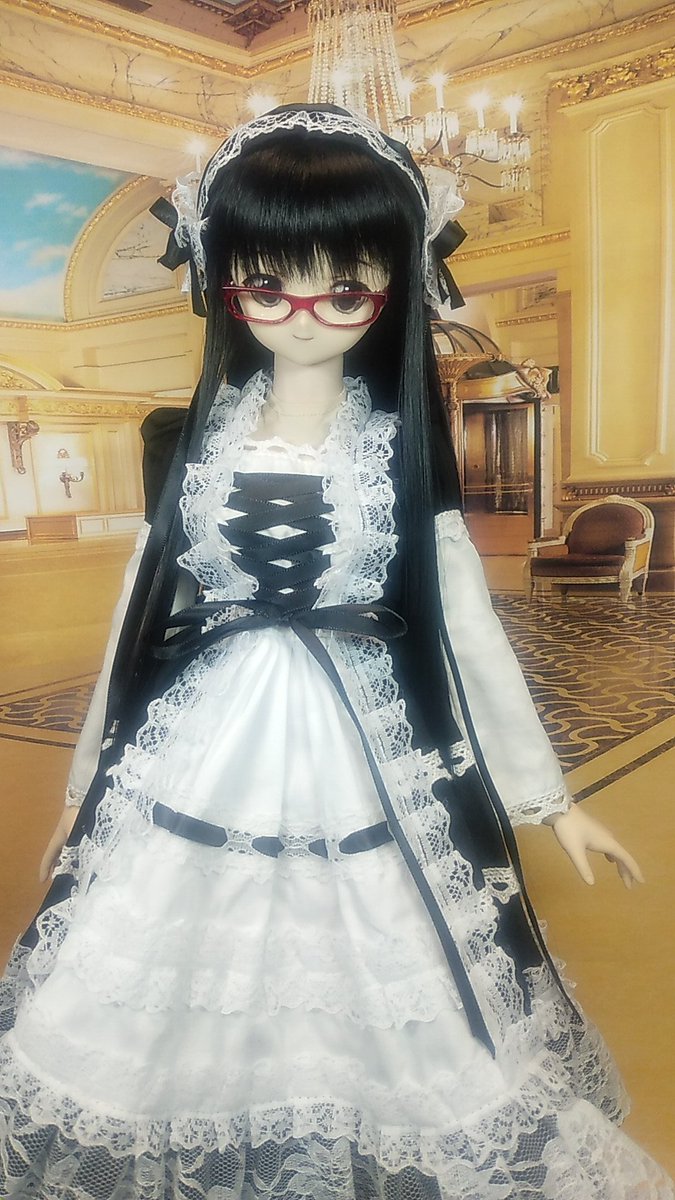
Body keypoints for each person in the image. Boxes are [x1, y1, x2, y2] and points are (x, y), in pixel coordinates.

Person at [0, 104, 672, 1200]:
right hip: (209, 726)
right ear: (222, 285)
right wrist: (87, 788)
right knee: (167, 938)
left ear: (392, 289)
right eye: (268, 286)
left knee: (382, 932)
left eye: (346, 290)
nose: (304, 316)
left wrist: (548, 801)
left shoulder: (398, 449)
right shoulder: (192, 441)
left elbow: (465, 627)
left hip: (358, 732)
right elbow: (141, 612)